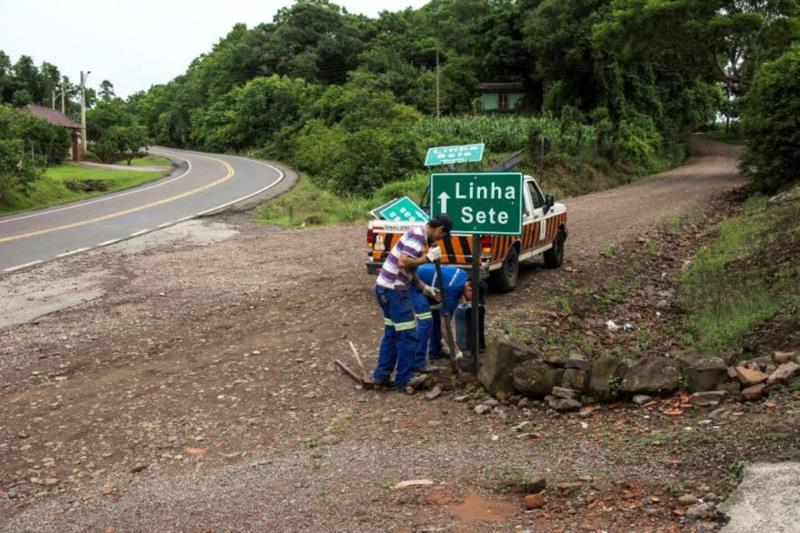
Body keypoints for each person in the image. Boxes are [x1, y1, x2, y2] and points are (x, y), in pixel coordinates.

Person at [372, 214, 452, 392]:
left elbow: (410, 268)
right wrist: (427, 259)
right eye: (442, 235)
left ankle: (382, 375)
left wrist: (424, 288)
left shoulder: (417, 235)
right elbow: (403, 262)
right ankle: (404, 379)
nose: (440, 239)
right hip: (394, 290)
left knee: (392, 332)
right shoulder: (418, 235)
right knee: (408, 334)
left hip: (385, 288)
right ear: (439, 229)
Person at [410, 263, 471, 370]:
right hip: (414, 282)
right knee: (426, 321)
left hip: (427, 278)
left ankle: (435, 350)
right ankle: (418, 362)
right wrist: (456, 352)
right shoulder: (452, 293)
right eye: (473, 297)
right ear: (470, 288)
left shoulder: (464, 275)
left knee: (436, 317)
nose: (471, 301)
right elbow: (445, 328)